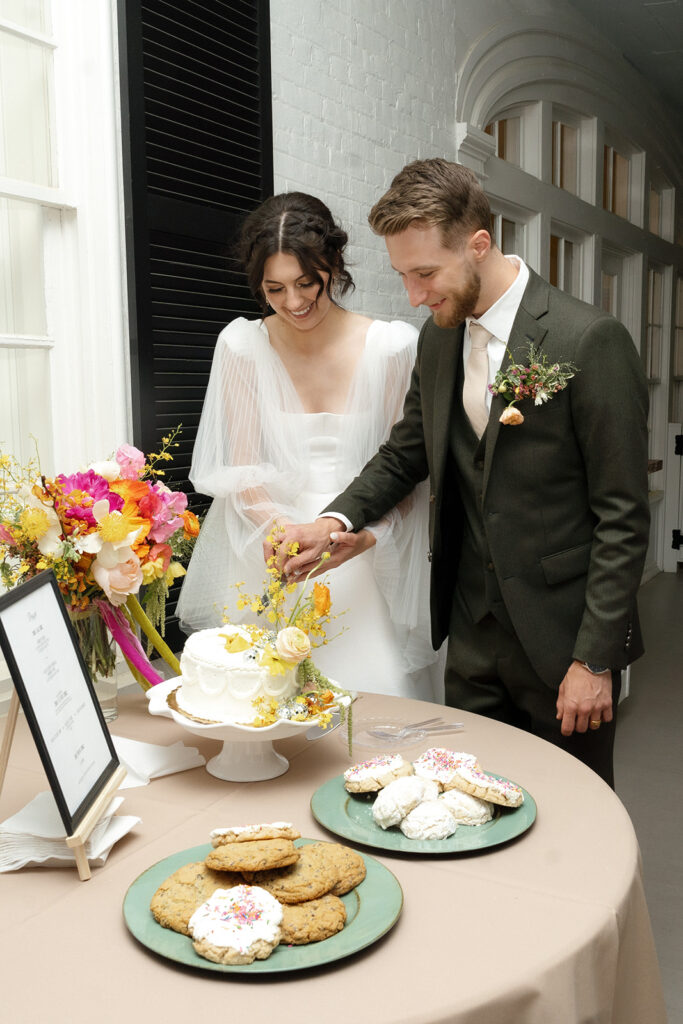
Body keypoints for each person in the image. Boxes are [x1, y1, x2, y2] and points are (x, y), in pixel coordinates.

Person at [270, 159, 650, 787]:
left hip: (563, 642)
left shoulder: (589, 340)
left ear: (479, 245)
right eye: (403, 276)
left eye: (425, 274)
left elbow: (623, 515)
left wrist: (595, 659)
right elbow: (406, 452)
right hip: (471, 636)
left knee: (571, 814)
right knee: (465, 803)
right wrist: (332, 519)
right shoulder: (439, 338)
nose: (415, 296)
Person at [176, 191, 441, 701]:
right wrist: (284, 534)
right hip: (274, 548)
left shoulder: (391, 347)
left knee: (378, 698)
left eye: (306, 284)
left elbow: (405, 467)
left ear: (333, 265)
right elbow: (242, 471)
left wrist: (366, 537)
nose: (294, 302)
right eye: (274, 289)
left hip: (361, 545)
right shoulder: (242, 346)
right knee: (267, 700)